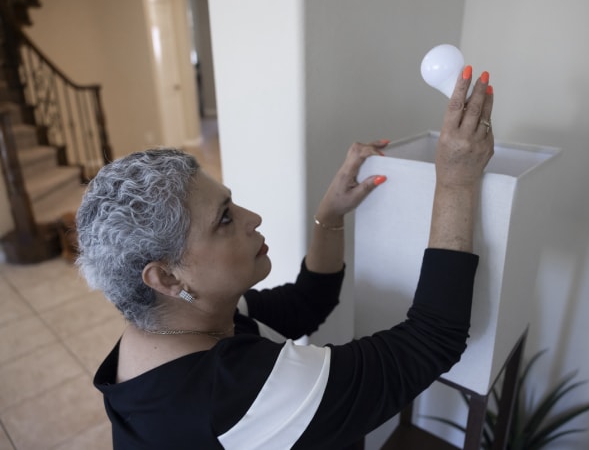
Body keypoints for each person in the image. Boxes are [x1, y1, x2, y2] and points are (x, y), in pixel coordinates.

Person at [77, 66, 494, 450]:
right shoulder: (233, 391)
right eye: (224, 219)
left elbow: (305, 304)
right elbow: (433, 340)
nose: (252, 218)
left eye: (232, 204)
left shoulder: (171, 324)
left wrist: (328, 217)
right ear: (166, 278)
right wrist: (457, 182)